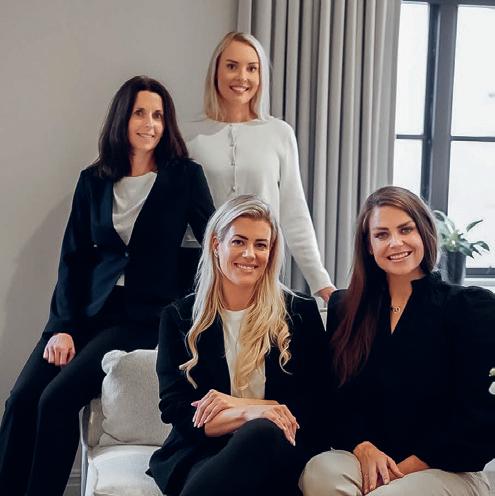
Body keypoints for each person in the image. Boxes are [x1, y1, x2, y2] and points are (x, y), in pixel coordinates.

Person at [0, 75, 215, 496]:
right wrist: (62, 327)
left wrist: (191, 308)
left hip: (139, 318)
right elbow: (73, 259)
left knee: (56, 400)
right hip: (83, 313)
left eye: (158, 115)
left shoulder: (184, 177)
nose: (149, 124)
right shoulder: (94, 179)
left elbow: (214, 243)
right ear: (122, 118)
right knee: (21, 400)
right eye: (140, 113)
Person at [300, 186, 495, 496]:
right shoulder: (345, 308)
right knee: (320, 472)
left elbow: (480, 419)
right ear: (368, 245)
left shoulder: (470, 308)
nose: (395, 243)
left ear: (424, 232)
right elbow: (334, 401)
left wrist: (402, 472)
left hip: (448, 468)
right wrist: (362, 447)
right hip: (372, 461)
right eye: (381, 234)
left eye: (405, 229)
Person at [149, 195, 331, 496]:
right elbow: (178, 411)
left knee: (261, 432)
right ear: (216, 245)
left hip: (278, 449)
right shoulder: (179, 318)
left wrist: (239, 406)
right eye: (238, 242)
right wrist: (250, 412)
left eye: (261, 245)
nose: (250, 254)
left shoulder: (299, 312)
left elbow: (317, 405)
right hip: (202, 450)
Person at [183, 31, 335, 302]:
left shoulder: (279, 133)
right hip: (200, 273)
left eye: (252, 68)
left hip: (259, 267)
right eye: (232, 66)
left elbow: (294, 212)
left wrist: (320, 282)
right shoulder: (188, 136)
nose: (242, 77)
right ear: (216, 71)